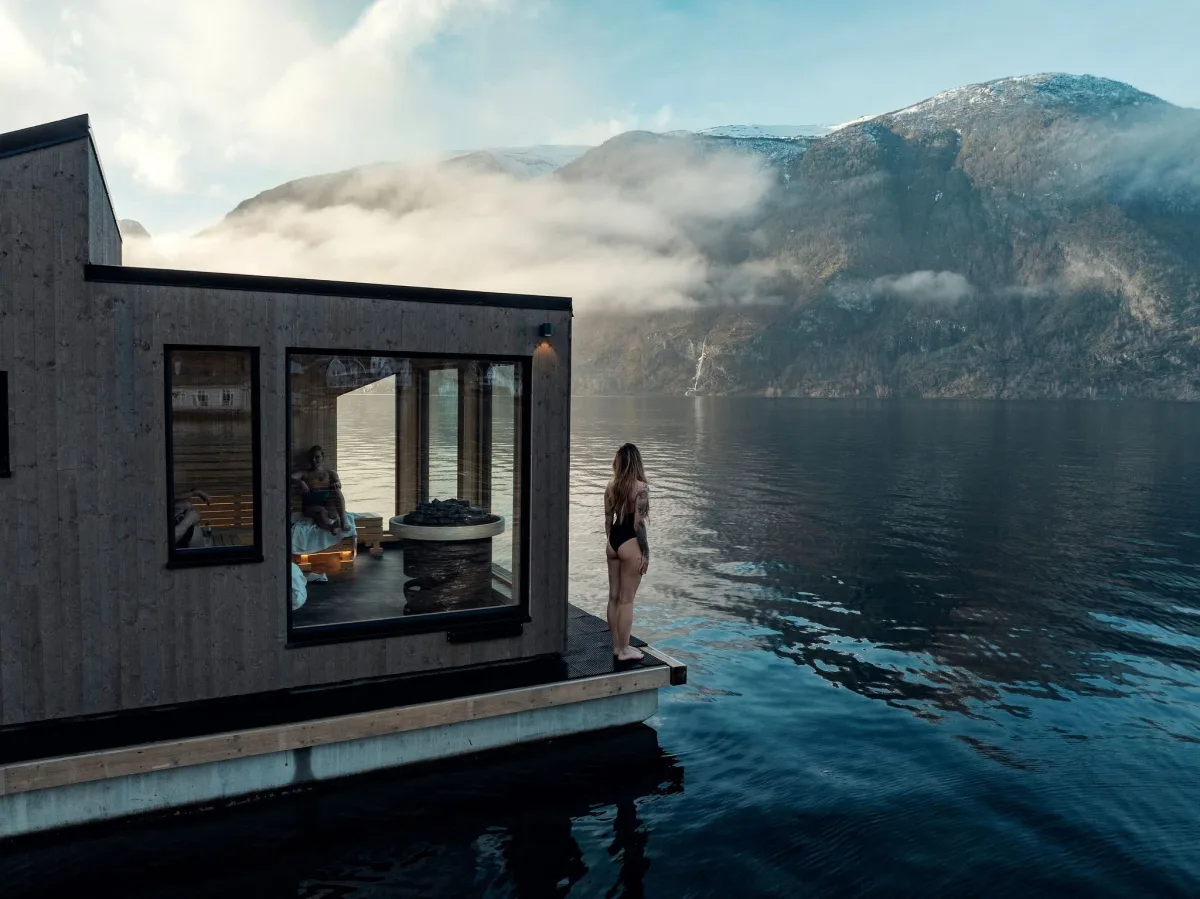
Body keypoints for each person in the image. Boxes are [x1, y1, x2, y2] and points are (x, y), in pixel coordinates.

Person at [605, 442, 650, 662]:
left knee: (613, 597)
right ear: (636, 462)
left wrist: (611, 542)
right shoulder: (641, 488)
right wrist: (646, 553)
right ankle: (624, 650)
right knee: (626, 600)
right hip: (630, 543)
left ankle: (616, 646)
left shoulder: (610, 486)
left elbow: (607, 519)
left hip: (613, 542)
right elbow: (638, 524)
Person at [291, 445, 348, 534]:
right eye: (311, 458)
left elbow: (339, 483)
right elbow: (289, 478)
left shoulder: (330, 473)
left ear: (322, 458)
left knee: (337, 492)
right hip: (311, 505)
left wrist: (336, 484)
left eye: (317, 457)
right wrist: (300, 482)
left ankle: (343, 521)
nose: (313, 460)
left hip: (327, 503)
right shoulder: (305, 473)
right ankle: (330, 527)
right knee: (321, 511)